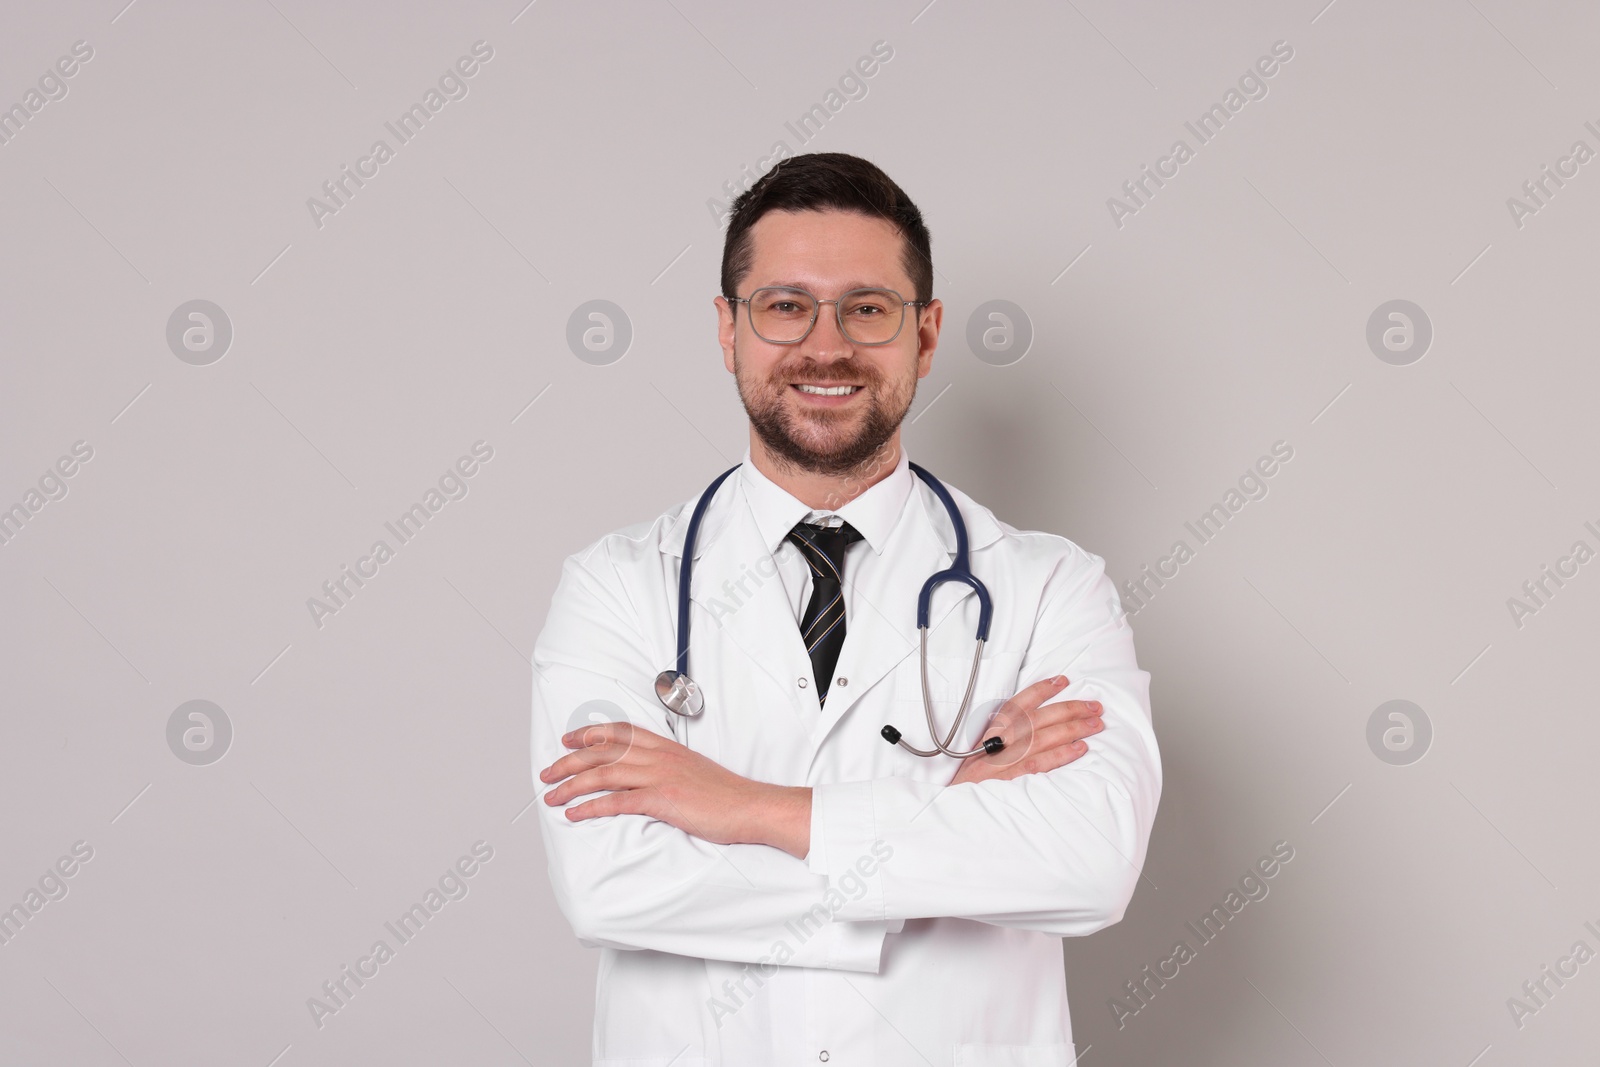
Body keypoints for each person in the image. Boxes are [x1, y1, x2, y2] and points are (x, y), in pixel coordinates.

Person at [532, 152, 1161, 1066]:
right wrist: (947, 807)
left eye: (867, 308)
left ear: (927, 332)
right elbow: (610, 885)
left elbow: (1089, 863)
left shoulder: (1050, 586)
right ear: (727, 328)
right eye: (785, 305)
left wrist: (744, 806)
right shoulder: (615, 586)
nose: (825, 346)